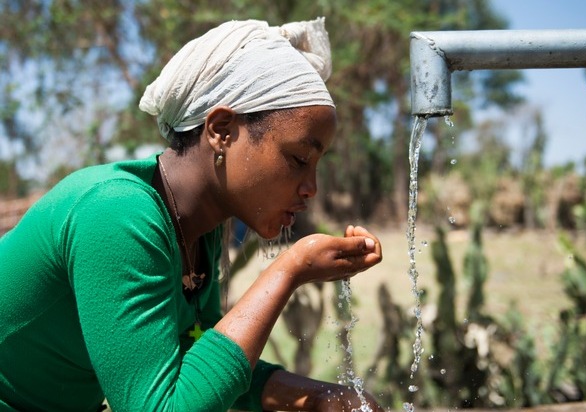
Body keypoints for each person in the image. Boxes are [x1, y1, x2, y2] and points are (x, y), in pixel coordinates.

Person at [0, 18, 385, 412]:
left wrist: (319, 397)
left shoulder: (196, 233)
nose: (311, 188)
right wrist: (288, 271)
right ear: (221, 130)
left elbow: (194, 350)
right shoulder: (117, 213)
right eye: (298, 159)